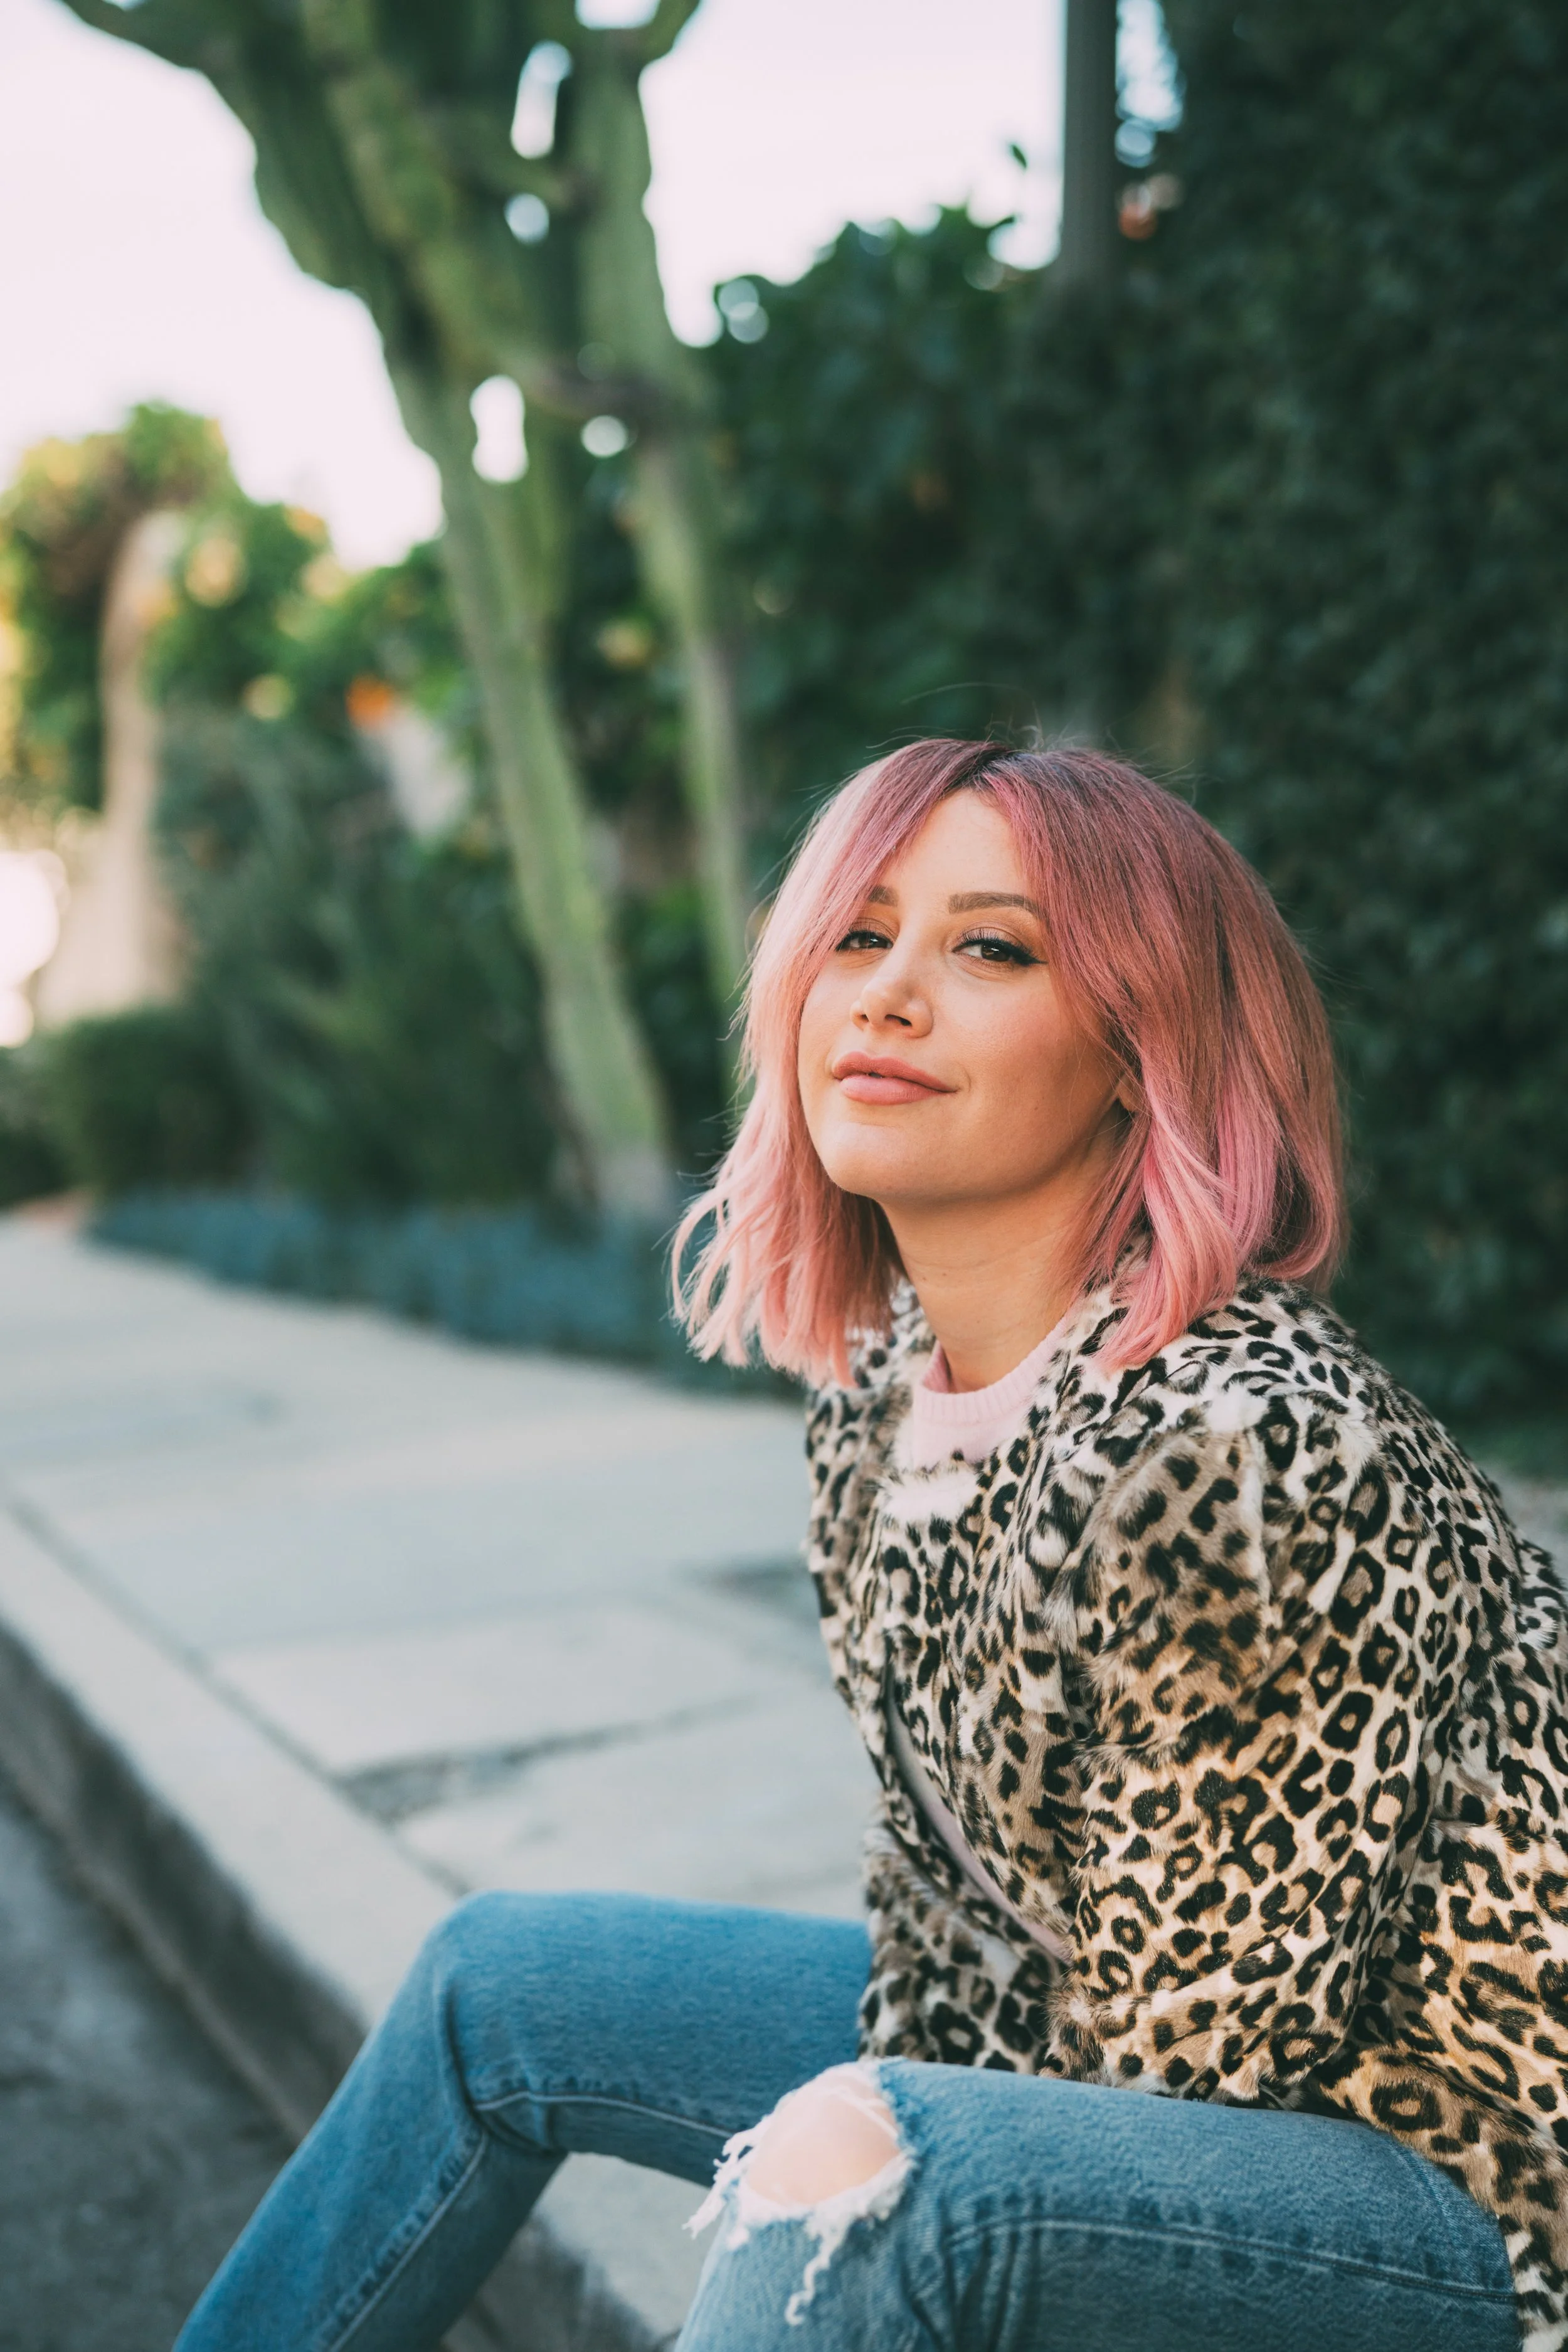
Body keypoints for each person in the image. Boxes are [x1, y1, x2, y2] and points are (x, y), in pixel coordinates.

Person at [176, 738, 1567, 2352]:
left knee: (868, 2170)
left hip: (1451, 2193)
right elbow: (943, 1902)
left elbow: (1200, 2083)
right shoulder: (885, 1392)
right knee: (505, 1983)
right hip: (1115, 2063)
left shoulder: (1244, 1454)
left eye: (988, 947)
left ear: (1139, 1050)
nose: (888, 995)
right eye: (857, 934)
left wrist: (852, 2149)